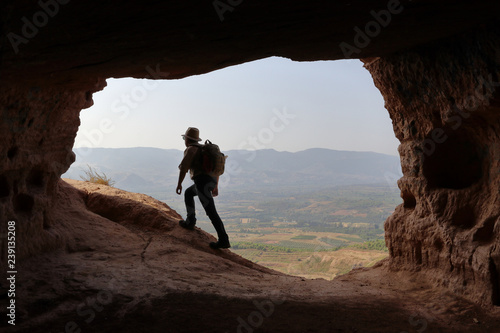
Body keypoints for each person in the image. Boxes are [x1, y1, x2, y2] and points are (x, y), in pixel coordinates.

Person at [176, 127, 230, 249]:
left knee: (211, 212)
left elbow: (184, 168)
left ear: (187, 139)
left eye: (184, 138)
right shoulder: (204, 150)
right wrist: (215, 186)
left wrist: (179, 184)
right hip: (209, 182)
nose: (184, 140)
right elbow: (215, 170)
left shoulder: (191, 149)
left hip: (201, 182)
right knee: (189, 193)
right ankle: (190, 221)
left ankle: (224, 240)